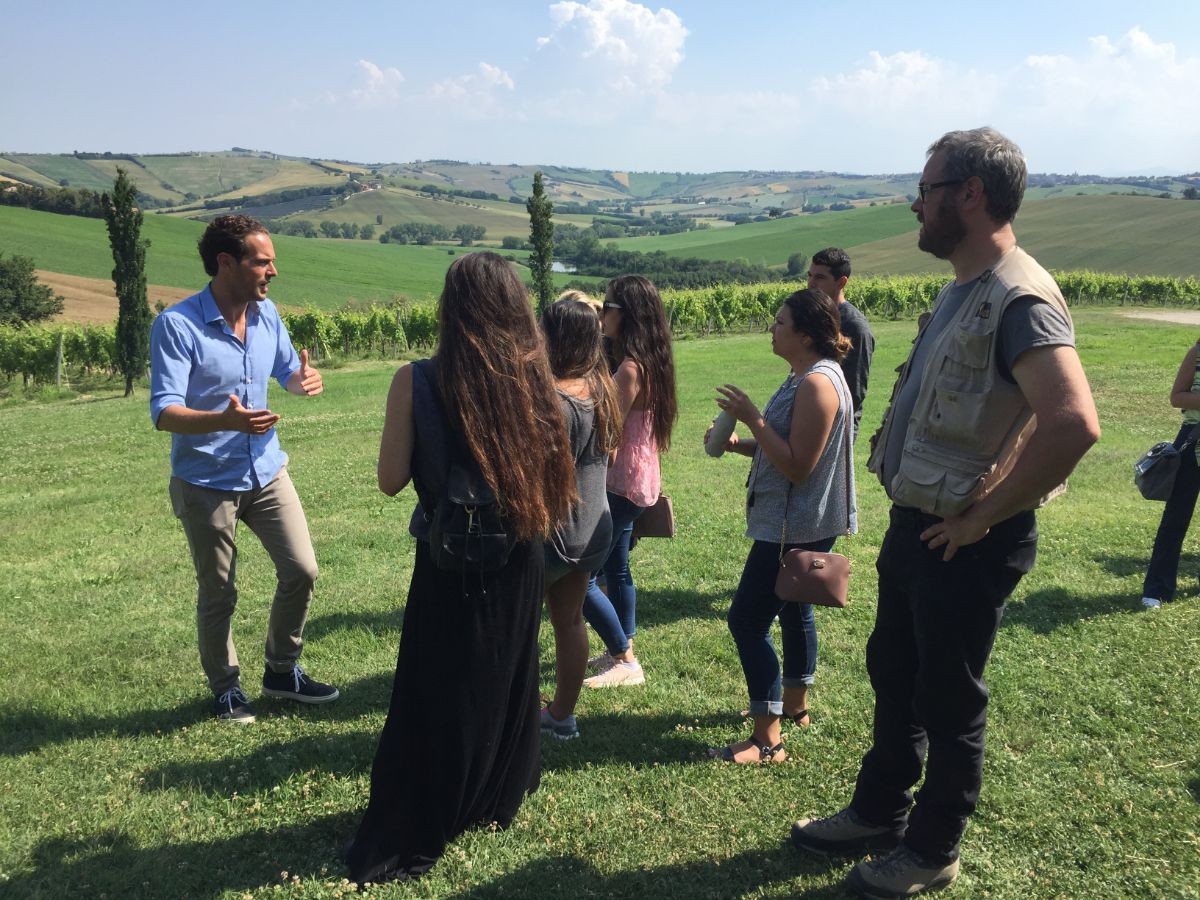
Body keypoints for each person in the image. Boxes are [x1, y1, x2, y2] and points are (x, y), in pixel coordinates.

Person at [790, 128, 1100, 897]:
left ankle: (930, 850)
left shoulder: (1020, 296)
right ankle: (879, 811)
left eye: (926, 190)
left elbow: (1073, 423)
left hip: (962, 539)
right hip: (917, 524)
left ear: (970, 194)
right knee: (895, 672)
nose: (916, 205)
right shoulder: (964, 285)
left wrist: (982, 517)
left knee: (948, 697)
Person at [346, 252, 575, 884]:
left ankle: (437, 801)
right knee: (507, 671)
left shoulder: (416, 378)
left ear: (452, 309)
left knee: (440, 682)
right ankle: (493, 794)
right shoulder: (536, 377)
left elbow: (391, 480)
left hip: (452, 552)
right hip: (520, 548)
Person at [149, 214, 338, 724]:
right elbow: (164, 412)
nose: (273, 270)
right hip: (207, 480)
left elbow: (285, 372)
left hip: (267, 470)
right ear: (226, 263)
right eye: (263, 260)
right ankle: (226, 689)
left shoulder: (266, 313)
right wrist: (224, 419)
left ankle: (281, 670)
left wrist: (302, 380)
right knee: (219, 592)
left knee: (302, 570)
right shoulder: (177, 326)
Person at [705, 289, 856, 763]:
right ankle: (794, 705)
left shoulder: (817, 384)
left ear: (806, 334)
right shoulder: (807, 376)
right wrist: (740, 444)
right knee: (792, 608)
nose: (773, 328)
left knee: (747, 621)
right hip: (797, 520)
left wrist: (752, 415)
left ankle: (767, 740)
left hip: (793, 525)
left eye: (780, 322)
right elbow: (786, 444)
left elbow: (797, 465)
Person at [582, 275, 678, 688]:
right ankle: (623, 647)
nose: (602, 314)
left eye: (607, 307)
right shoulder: (652, 360)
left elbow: (607, 430)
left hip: (619, 483)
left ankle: (624, 658)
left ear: (627, 314)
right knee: (618, 569)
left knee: (583, 578)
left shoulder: (630, 369)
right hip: (640, 479)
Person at [539, 297, 622, 740]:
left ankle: (515, 712)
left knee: (516, 627)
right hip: (594, 526)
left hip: (553, 532)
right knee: (569, 620)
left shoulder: (555, 399)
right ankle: (562, 716)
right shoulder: (602, 387)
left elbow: (544, 473)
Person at [1141, 340, 1200, 609]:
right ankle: (1158, 588)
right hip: (1192, 442)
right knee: (1175, 519)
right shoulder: (1197, 352)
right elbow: (1177, 396)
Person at [807, 248, 875, 439]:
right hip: (807, 417)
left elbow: (854, 389)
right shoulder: (815, 317)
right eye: (810, 275)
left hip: (836, 427)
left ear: (841, 282)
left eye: (819, 277)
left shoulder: (854, 327)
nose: (811, 283)